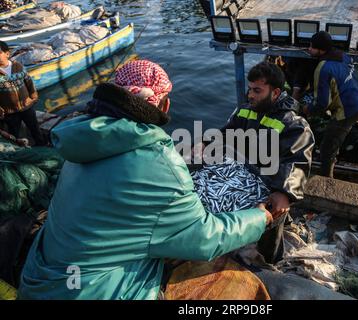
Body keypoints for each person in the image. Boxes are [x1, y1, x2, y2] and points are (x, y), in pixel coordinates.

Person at [18, 60, 277, 300]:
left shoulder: (81, 142)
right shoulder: (158, 164)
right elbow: (203, 238)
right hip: (92, 292)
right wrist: (257, 218)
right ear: (164, 106)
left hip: (41, 279)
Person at [215, 61, 315, 264]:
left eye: (257, 91)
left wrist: (285, 192)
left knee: (268, 238)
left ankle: (269, 262)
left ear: (276, 93)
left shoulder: (294, 125)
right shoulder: (245, 111)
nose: (250, 95)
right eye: (250, 89)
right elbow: (226, 133)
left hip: (270, 191)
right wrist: (207, 141)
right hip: (243, 182)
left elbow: (298, 161)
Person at [302, 31, 358, 178]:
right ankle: (336, 151)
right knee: (335, 138)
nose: (309, 49)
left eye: (312, 47)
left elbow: (322, 103)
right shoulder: (343, 56)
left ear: (321, 50)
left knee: (327, 148)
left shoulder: (323, 68)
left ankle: (327, 178)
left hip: (346, 111)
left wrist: (307, 109)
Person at [0, 40, 46, 146]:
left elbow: (29, 82)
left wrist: (33, 97)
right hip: (9, 112)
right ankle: (19, 150)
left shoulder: (18, 66)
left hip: (27, 107)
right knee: (14, 134)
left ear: (7, 54)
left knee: (35, 129)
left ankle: (41, 146)